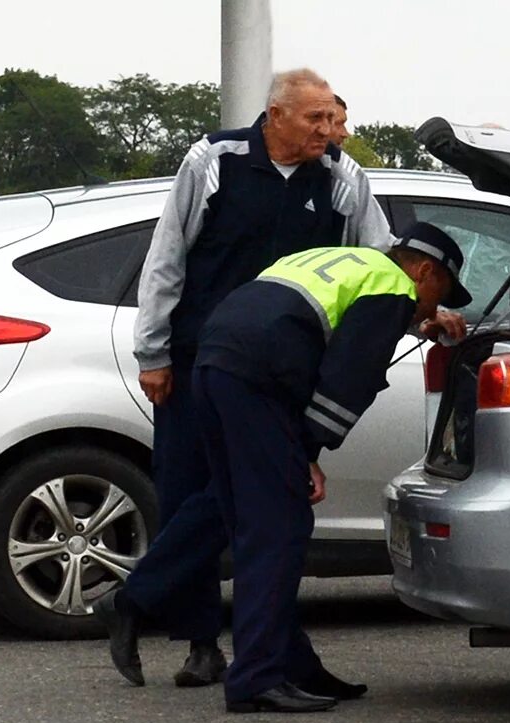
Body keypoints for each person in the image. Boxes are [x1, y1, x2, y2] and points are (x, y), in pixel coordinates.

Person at [105, 67, 464, 688]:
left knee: (241, 503)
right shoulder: (215, 159)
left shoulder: (343, 178)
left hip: (277, 369)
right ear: (276, 117)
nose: (333, 132)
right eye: (319, 120)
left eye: (336, 119)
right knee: (197, 492)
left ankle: (190, 618)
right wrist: (153, 352)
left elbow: (385, 267)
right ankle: (199, 640)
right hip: (200, 356)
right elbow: (168, 256)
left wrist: (427, 319)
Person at [187, 222, 471, 712]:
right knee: (279, 528)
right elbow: (347, 381)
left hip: (215, 365)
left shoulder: (345, 261)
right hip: (258, 380)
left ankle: (292, 665)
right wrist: (309, 452)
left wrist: (416, 323)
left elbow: (327, 317)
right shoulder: (394, 286)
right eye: (438, 294)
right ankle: (255, 678)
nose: (432, 307)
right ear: (424, 271)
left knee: (255, 525)